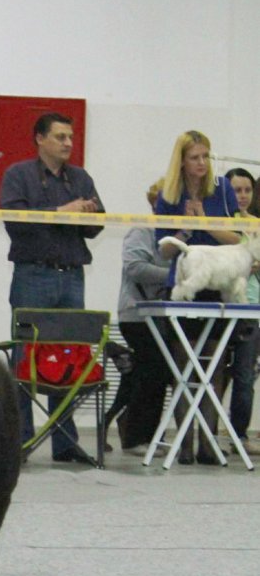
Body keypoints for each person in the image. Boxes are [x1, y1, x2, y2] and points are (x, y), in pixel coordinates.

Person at [0, 112, 104, 463]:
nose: (68, 143)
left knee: (71, 356)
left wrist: (88, 214)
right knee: (25, 356)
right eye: (60, 137)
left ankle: (65, 442)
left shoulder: (81, 177)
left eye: (70, 137)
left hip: (72, 275)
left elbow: (96, 225)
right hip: (33, 275)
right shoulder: (18, 175)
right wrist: (62, 211)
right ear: (40, 139)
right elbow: (15, 221)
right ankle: (22, 441)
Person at [155, 130, 241, 465]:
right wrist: (185, 230)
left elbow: (236, 237)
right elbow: (163, 250)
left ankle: (209, 441)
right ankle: (184, 445)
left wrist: (205, 220)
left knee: (214, 364)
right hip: (185, 284)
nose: (202, 163)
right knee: (183, 368)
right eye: (195, 157)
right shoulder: (168, 194)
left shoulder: (222, 190)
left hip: (216, 284)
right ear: (182, 161)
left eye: (206, 156)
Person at [113, 178, 172, 455]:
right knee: (153, 369)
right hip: (135, 314)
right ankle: (136, 436)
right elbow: (135, 267)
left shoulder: (178, 233)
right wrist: (175, 277)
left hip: (160, 315)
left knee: (157, 372)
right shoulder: (142, 230)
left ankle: (146, 434)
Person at [224, 168, 260, 455]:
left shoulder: (257, 224)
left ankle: (239, 434)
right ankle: (207, 430)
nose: (243, 195)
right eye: (237, 190)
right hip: (226, 307)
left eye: (247, 189)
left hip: (254, 307)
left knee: (246, 375)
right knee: (217, 373)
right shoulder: (220, 223)